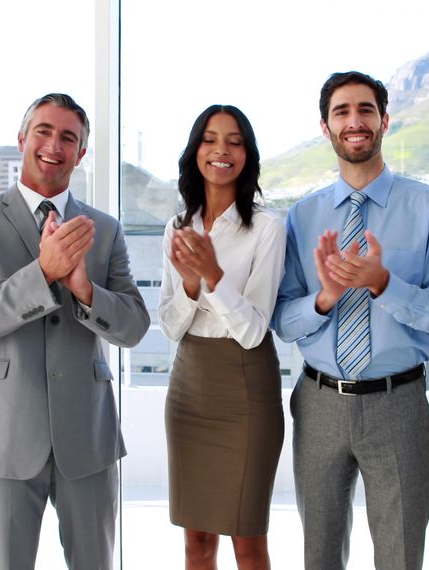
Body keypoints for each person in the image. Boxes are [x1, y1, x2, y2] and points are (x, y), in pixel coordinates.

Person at [0, 93, 150, 570]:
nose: (54, 145)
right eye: (43, 131)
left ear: (81, 154)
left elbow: (135, 325)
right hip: (2, 434)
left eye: (68, 138)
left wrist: (83, 289)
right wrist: (44, 271)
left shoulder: (105, 228)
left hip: (87, 433)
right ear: (22, 139)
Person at [272, 71, 429, 570]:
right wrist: (325, 298)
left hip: (397, 402)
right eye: (342, 112)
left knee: (400, 555)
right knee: (319, 553)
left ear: (385, 121)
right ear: (325, 126)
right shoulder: (302, 216)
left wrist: (384, 284)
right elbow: (283, 321)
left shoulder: (428, 208)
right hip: (318, 404)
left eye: (365, 110)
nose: (354, 121)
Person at [159, 105, 286, 569]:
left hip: (246, 386)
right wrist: (190, 285)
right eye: (210, 139)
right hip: (190, 386)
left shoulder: (267, 228)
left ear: (247, 154)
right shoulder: (176, 227)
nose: (221, 150)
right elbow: (172, 326)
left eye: (234, 141)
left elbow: (254, 331)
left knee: (247, 539)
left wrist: (212, 275)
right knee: (196, 540)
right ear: (195, 151)